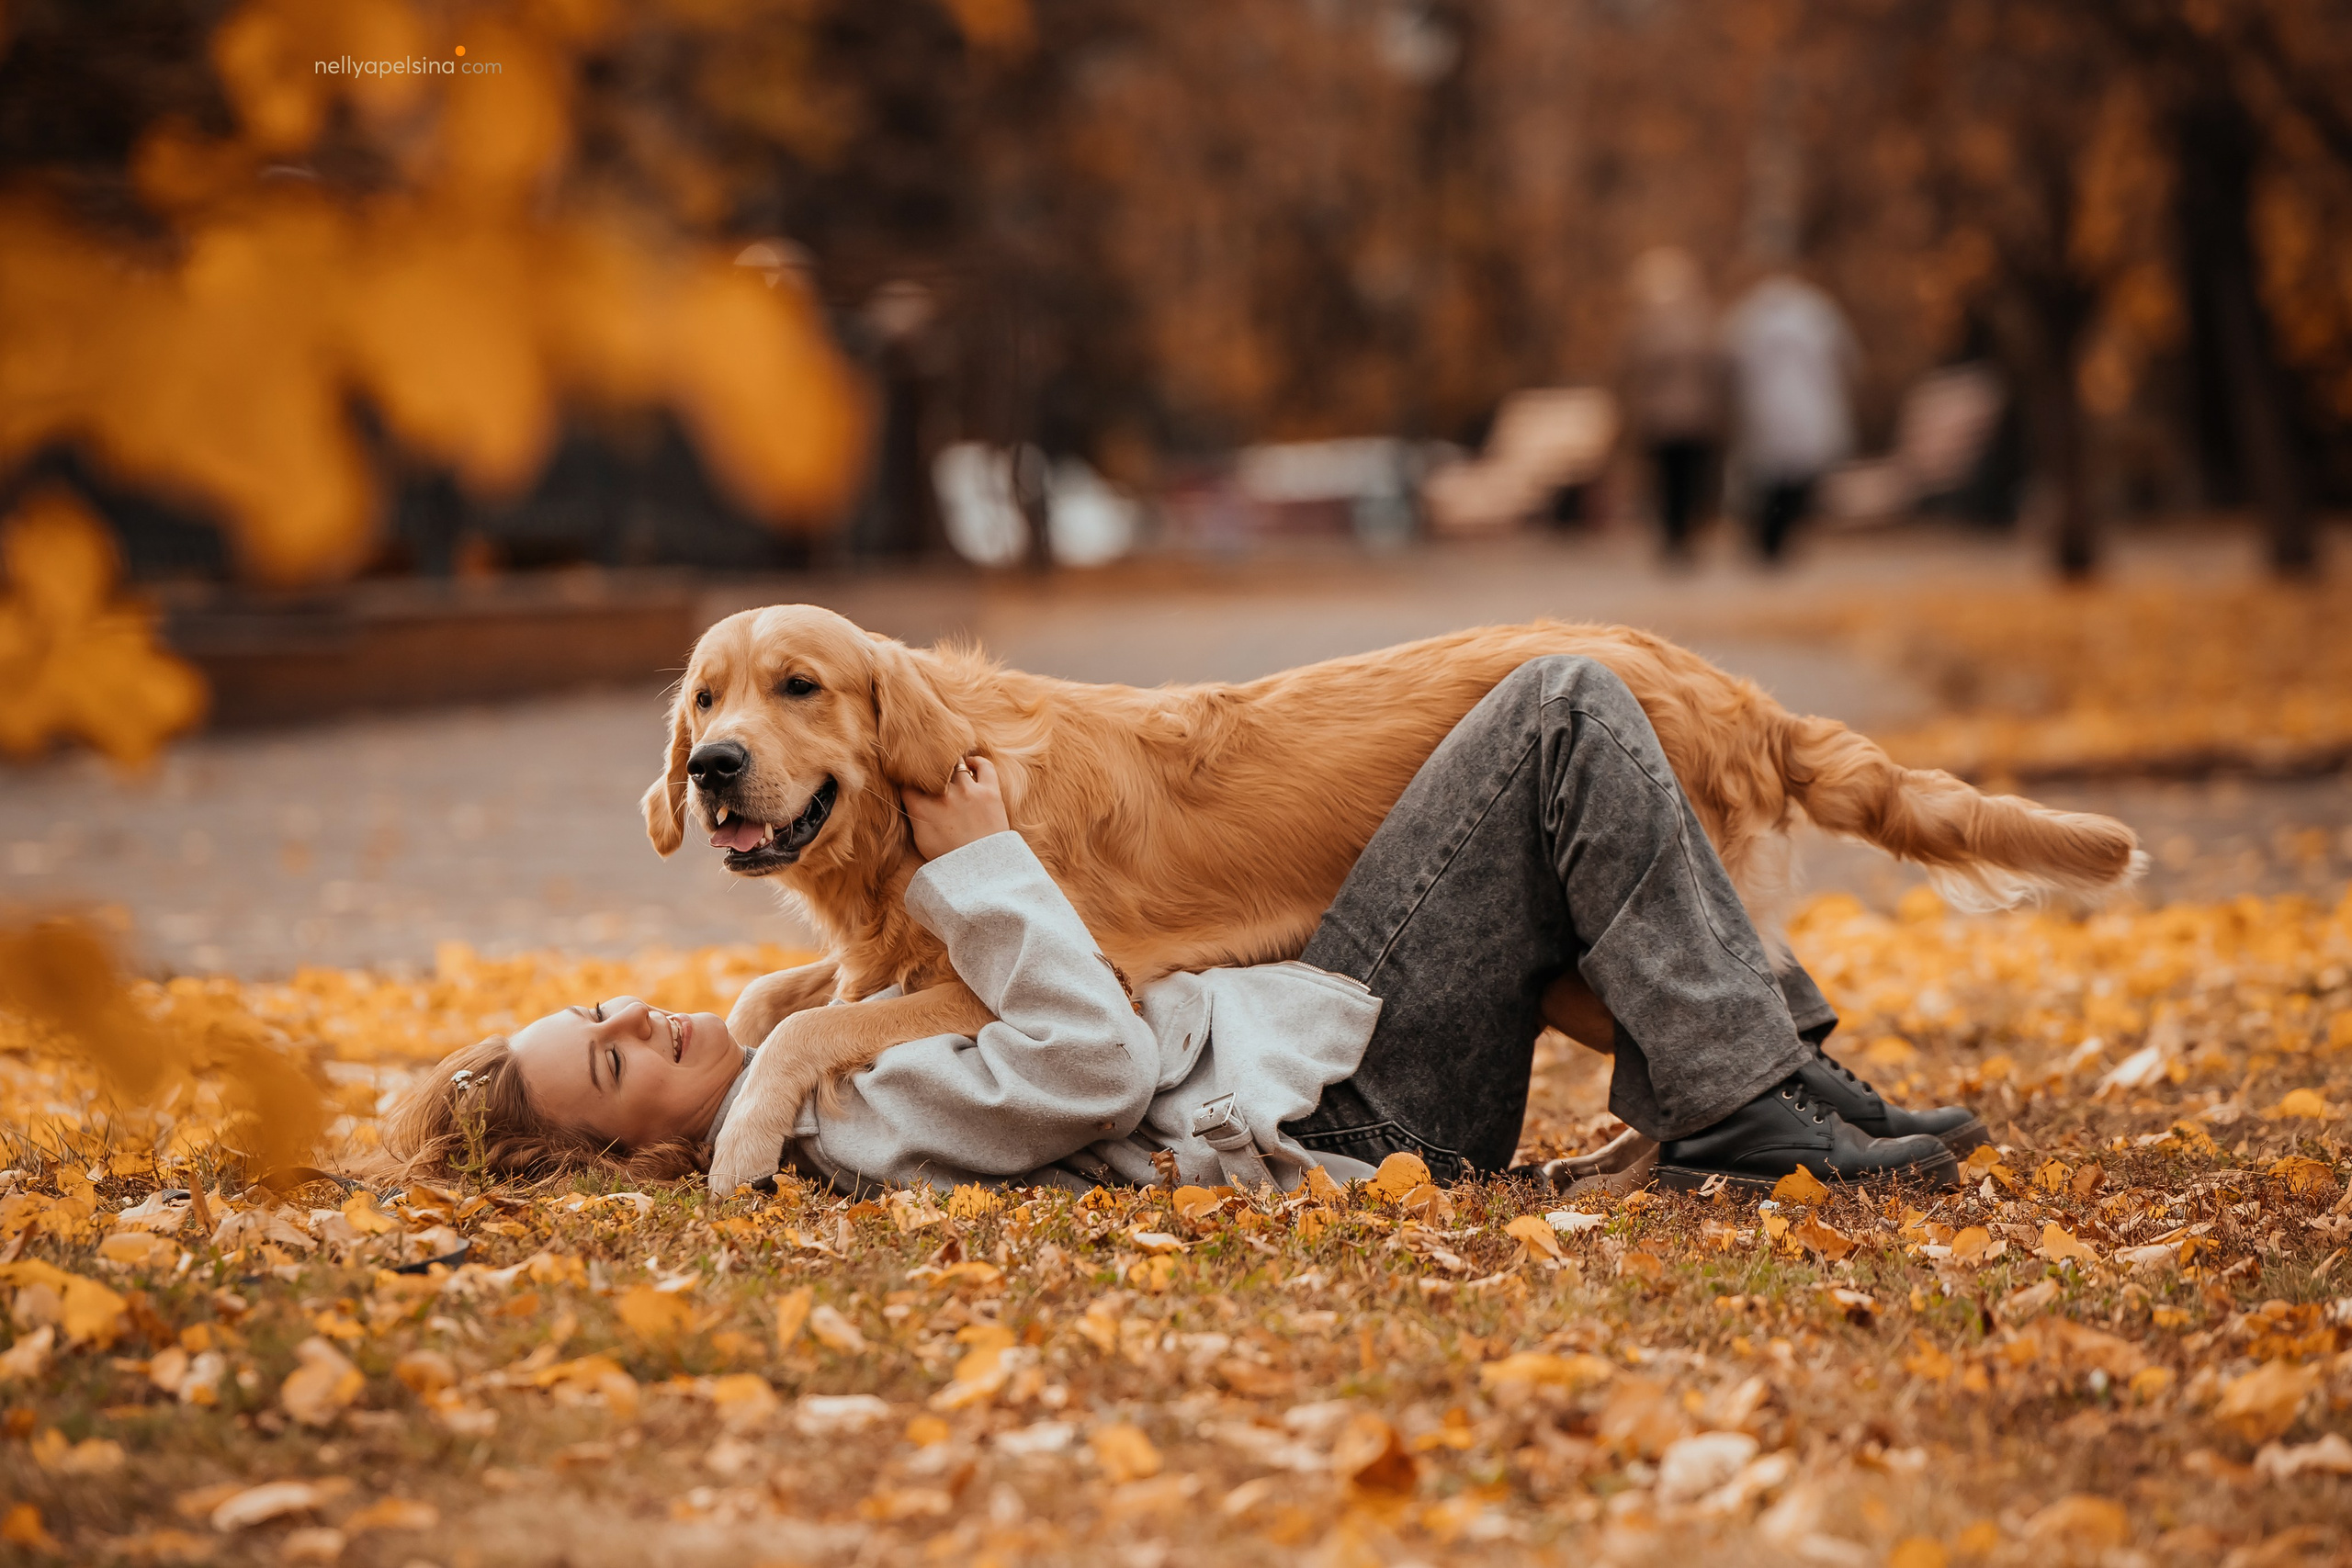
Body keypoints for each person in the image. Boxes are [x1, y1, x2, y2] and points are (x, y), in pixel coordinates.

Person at [388, 659, 1982, 1194]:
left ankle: (1767, 1084)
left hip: (1319, 1048)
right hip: (1347, 1106)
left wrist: (793, 1002)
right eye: (615, 1066)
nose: (638, 1018)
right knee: (1556, 710)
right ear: (640, 1158)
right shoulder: (839, 1120)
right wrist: (986, 865)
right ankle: (1743, 1099)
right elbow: (1086, 1060)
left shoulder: (801, 1058)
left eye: (601, 1011)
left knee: (1552, 737)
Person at [1724, 273, 1860, 563]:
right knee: (1793, 478)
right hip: (1806, 408)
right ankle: (1778, 538)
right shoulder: (1815, 314)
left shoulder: (1751, 318)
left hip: (1766, 410)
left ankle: (1771, 538)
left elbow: (1731, 360)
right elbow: (1845, 356)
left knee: (1770, 478)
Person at [1619, 248, 1728, 563]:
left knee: (1667, 481)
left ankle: (1673, 537)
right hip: (1697, 416)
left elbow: (1632, 368)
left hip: (1661, 418)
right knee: (1690, 479)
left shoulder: (1647, 324)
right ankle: (1685, 536)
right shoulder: (1702, 320)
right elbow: (1717, 365)